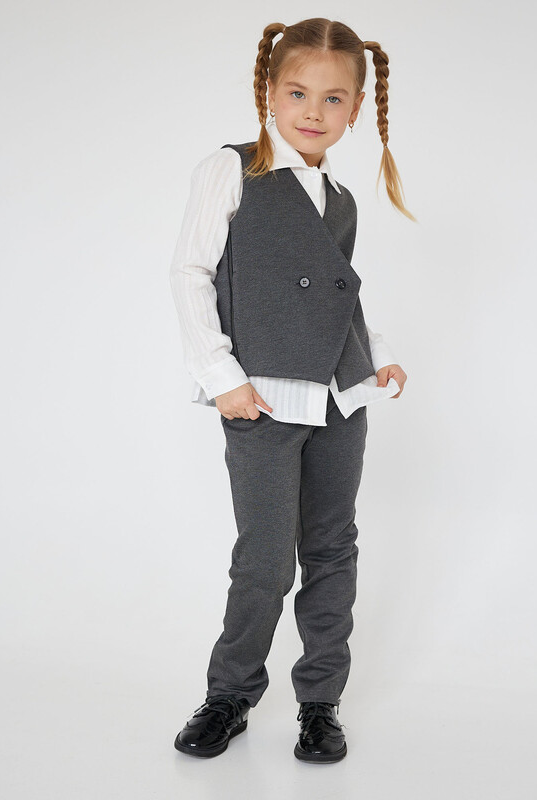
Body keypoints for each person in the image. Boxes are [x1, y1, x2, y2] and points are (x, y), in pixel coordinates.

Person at [169, 17, 413, 764]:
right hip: (264, 396)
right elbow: (190, 272)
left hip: (339, 396)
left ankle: (320, 702)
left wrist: (377, 358)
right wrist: (222, 378)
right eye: (299, 92)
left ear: (356, 107)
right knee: (266, 560)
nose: (314, 111)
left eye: (334, 98)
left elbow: (340, 296)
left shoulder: (342, 199)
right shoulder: (232, 168)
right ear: (270, 92)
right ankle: (230, 694)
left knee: (333, 550)